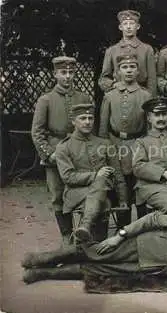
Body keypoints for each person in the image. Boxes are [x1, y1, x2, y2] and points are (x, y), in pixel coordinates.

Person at [21, 186, 167, 284]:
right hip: (149, 244)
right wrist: (120, 235)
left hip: (158, 265)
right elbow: (152, 219)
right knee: (99, 252)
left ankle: (44, 274)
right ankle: (44, 258)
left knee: (103, 270)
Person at [31, 56, 93, 246]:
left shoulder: (83, 98)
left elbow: (90, 126)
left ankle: (84, 234)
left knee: (85, 190)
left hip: (79, 149)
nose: (67, 76)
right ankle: (66, 235)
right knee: (58, 194)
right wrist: (49, 153)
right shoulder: (46, 99)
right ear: (55, 74)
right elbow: (37, 132)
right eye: (63, 73)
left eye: (71, 73)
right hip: (56, 150)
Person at [55, 103, 128, 243]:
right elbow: (68, 177)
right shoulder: (64, 147)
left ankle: (86, 228)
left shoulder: (105, 143)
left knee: (104, 192)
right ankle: (97, 247)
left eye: (90, 118)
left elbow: (118, 174)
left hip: (102, 192)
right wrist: (96, 175)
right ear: (73, 121)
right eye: (82, 118)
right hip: (76, 193)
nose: (87, 122)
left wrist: (123, 199)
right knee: (102, 189)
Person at [98, 53, 152, 226]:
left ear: (138, 71)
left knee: (140, 188)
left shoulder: (145, 95)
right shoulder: (110, 96)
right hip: (115, 144)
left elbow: (149, 127)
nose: (129, 71)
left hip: (138, 145)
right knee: (120, 190)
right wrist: (105, 148)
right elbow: (103, 128)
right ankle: (123, 231)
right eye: (124, 67)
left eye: (132, 67)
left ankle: (142, 230)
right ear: (118, 71)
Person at [98, 10, 156, 95]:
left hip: (141, 95)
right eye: (125, 24)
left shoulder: (147, 49)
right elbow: (103, 79)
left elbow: (152, 80)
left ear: (138, 26)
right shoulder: (112, 51)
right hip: (119, 94)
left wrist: (150, 101)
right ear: (120, 27)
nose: (128, 27)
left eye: (132, 23)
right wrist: (114, 85)